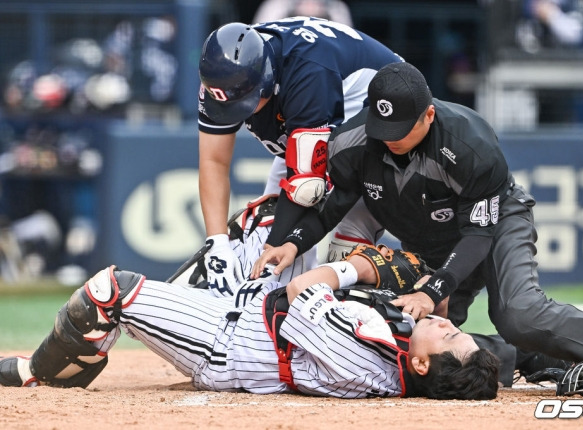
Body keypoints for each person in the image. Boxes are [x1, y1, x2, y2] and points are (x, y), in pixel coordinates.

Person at [250, 61, 583, 386]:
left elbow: (478, 232)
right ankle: (530, 356)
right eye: (382, 128)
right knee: (414, 341)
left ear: (429, 114)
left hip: (494, 221)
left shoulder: (470, 143)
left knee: (517, 314)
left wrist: (436, 287)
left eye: (402, 131)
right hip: (428, 241)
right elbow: (336, 202)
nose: (391, 139)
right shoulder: (354, 141)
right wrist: (295, 240)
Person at [0, 218, 500, 400]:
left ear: (419, 363)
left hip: (227, 346)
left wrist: (356, 269)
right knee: (269, 216)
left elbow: (304, 294)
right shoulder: (402, 349)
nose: (447, 325)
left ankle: (42, 375)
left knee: (108, 291)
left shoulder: (366, 365)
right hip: (253, 315)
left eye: (450, 337)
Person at [197, 17, 404, 295]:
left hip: (379, 109)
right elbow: (213, 161)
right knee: (270, 228)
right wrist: (217, 242)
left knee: (340, 243)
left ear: (267, 77)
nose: (237, 111)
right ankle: (271, 315)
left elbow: (305, 185)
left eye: (243, 101)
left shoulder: (307, 73)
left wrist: (274, 247)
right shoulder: (222, 77)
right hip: (311, 125)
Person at [253, 0, 354, 27]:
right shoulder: (275, 6)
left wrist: (323, 15)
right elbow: (260, 42)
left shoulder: (337, 8)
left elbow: (348, 46)